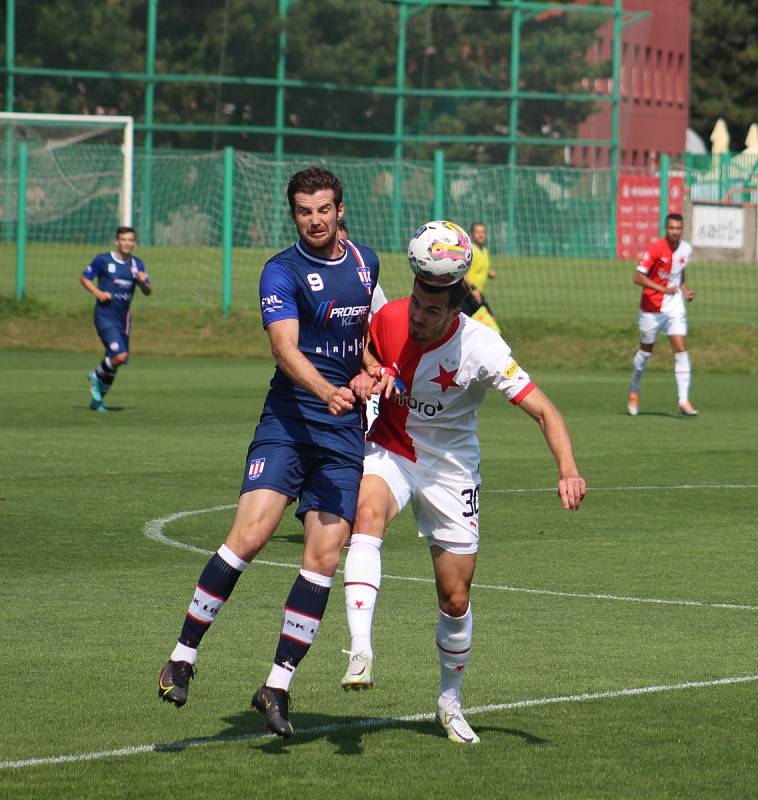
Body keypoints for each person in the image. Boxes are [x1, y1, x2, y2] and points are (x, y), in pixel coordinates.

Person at [158, 167, 380, 739]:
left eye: (324, 209)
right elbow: (284, 349)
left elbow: (371, 345)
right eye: (304, 211)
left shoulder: (366, 264)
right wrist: (327, 389)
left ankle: (276, 686)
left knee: (323, 561)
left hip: (342, 435)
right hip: (289, 421)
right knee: (249, 537)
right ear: (294, 214)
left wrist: (372, 373)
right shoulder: (280, 270)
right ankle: (183, 655)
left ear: (339, 209)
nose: (315, 219)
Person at [340, 275, 586, 744]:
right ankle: (360, 650)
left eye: (431, 311)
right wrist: (373, 370)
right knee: (366, 519)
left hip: (452, 470)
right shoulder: (392, 315)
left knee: (454, 597)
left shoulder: (484, 349)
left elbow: (545, 411)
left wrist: (568, 470)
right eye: (416, 303)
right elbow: (364, 349)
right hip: (393, 448)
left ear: (457, 311)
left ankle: (449, 703)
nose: (417, 316)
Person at [627, 213, 697, 416]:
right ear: (666, 229)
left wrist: (684, 290)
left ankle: (683, 401)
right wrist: (661, 289)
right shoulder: (656, 249)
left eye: (678, 228)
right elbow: (637, 277)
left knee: (681, 349)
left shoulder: (686, 249)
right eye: (671, 228)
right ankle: (634, 391)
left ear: (682, 230)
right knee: (645, 353)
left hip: (675, 306)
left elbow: (679, 271)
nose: (675, 232)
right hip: (652, 307)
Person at [79, 227, 152, 412]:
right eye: (124, 239)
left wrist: (143, 281)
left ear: (134, 242)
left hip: (124, 319)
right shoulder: (103, 260)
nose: (127, 243)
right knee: (119, 356)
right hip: (105, 316)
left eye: (130, 240)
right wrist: (98, 293)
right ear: (116, 242)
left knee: (116, 362)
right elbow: (84, 278)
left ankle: (98, 400)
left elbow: (148, 291)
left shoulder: (137, 264)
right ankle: (95, 375)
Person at [338, 218, 388, 433]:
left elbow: (379, 325)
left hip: (363, 375)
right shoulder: (303, 279)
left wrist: (371, 368)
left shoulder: (368, 281)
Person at [461, 222, 500, 334]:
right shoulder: (469, 251)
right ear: (472, 234)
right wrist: (473, 288)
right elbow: (463, 272)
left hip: (476, 293)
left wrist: (489, 273)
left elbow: (479, 268)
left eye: (483, 232)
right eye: (477, 232)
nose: (481, 235)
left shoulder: (484, 250)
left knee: (480, 326)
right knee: (490, 326)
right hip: (468, 294)